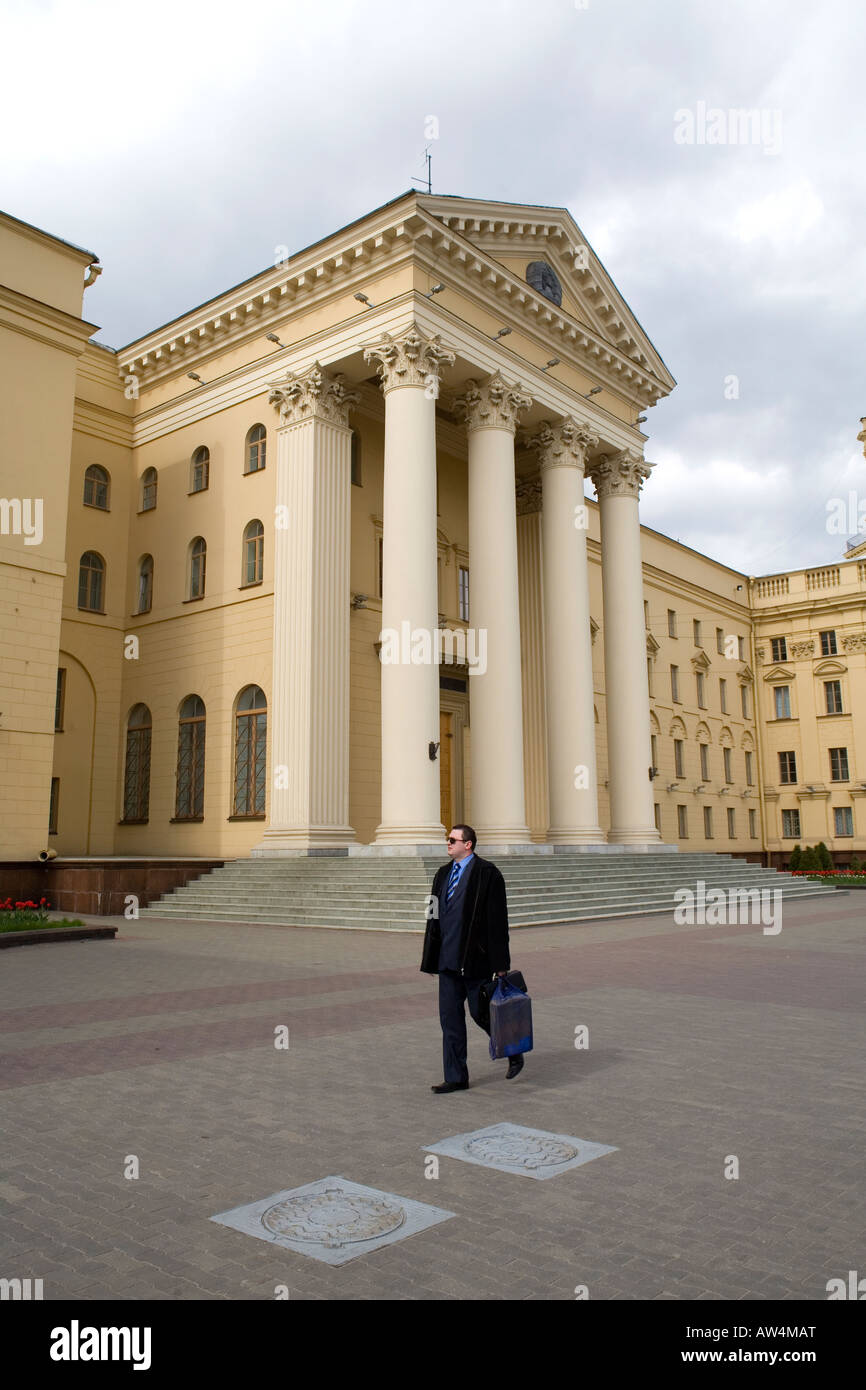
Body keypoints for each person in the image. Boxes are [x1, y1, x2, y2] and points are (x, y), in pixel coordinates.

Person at [420, 824, 524, 1091]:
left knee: (481, 1014)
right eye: (448, 839)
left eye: (453, 839)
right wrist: (429, 958)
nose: (448, 843)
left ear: (468, 844)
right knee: (450, 1021)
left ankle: (513, 1050)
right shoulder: (442, 874)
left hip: (476, 962)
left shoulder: (487, 874)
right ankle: (456, 1077)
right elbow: (432, 917)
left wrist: (501, 965)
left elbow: (498, 923)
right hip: (447, 962)